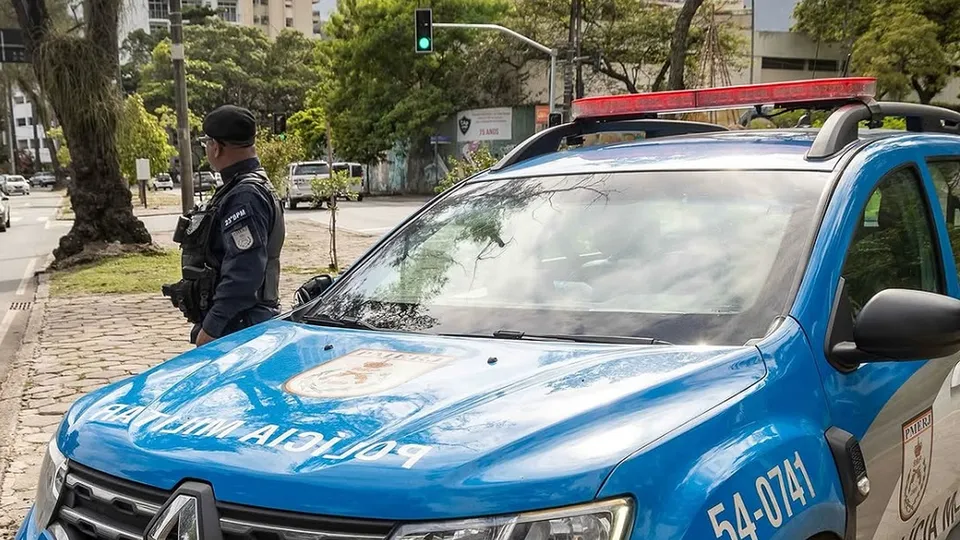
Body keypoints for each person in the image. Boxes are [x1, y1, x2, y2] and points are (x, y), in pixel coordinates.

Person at [162, 105, 285, 346]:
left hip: (239, 325)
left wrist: (213, 327)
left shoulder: (245, 196)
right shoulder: (241, 188)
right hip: (241, 321)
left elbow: (245, 271)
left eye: (207, 143)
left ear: (216, 147)